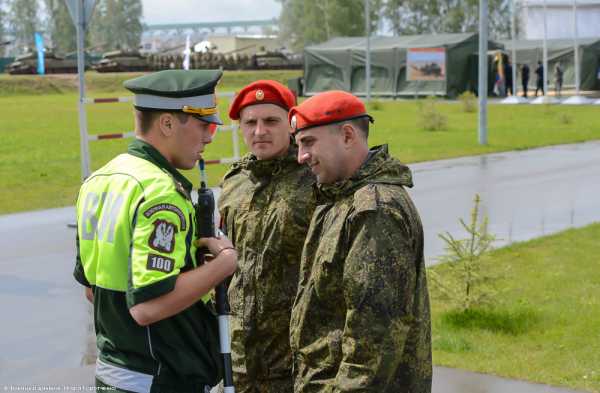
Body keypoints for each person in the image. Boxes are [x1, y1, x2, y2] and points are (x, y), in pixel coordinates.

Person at [73, 69, 238, 393]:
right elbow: (148, 306)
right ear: (167, 124)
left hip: (114, 373)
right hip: (158, 379)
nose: (210, 136)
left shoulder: (100, 181)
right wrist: (225, 263)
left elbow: (94, 289)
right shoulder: (160, 192)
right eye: (204, 124)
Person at [288, 91, 432, 393]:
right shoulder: (338, 197)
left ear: (348, 135)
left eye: (308, 142)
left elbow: (372, 344)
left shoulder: (374, 210)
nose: (301, 156)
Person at [218, 80, 316, 393]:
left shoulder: (315, 179)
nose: (259, 131)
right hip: (240, 358)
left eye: (271, 121)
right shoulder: (234, 183)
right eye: (250, 123)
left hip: (297, 359)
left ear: (291, 124)